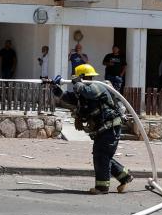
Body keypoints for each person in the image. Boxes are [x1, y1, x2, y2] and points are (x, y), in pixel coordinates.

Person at [46, 64, 133, 194]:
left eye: (77, 77)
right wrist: (54, 86)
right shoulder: (82, 93)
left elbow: (89, 92)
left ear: (82, 77)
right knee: (103, 155)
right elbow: (67, 98)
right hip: (102, 130)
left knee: (101, 155)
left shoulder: (97, 87)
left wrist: (77, 83)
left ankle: (102, 187)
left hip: (110, 128)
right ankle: (124, 176)